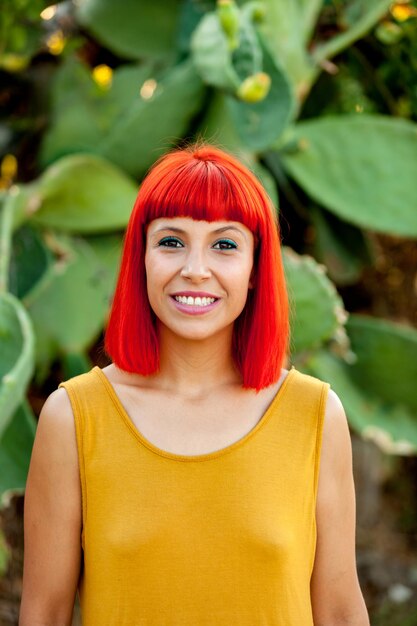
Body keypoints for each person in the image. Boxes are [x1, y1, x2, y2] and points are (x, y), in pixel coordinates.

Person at [19, 142, 369, 626]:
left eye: (225, 244)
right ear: (141, 258)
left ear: (254, 270)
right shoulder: (74, 418)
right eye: (171, 241)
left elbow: (340, 612)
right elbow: (43, 615)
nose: (195, 269)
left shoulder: (315, 415)